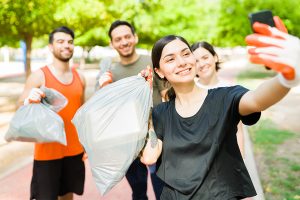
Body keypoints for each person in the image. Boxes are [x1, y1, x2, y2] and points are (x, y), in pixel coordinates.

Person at [140, 20, 300, 199]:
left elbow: (257, 100)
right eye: (170, 59)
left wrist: (287, 78)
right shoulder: (160, 114)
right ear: (159, 72)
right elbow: (149, 157)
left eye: (186, 54)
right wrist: (147, 106)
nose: (181, 62)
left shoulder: (225, 97)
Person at [96, 20, 166, 200]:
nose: (124, 42)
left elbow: (166, 94)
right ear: (112, 44)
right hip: (128, 142)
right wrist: (104, 88)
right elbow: (103, 111)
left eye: (127, 36)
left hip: (158, 136)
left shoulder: (151, 61)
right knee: (138, 191)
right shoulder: (110, 73)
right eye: (118, 39)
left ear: (135, 38)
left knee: (164, 190)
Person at [18, 26, 86, 200]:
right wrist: (29, 101)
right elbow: (20, 107)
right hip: (47, 152)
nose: (66, 45)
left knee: (68, 195)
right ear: (50, 47)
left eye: (70, 42)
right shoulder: (39, 76)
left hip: (74, 151)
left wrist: (86, 142)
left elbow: (82, 113)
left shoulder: (81, 77)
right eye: (60, 41)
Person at [191, 41, 245, 158]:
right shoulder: (190, 91)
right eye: (196, 61)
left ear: (215, 57)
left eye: (205, 57)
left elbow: (238, 130)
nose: (201, 64)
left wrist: (240, 161)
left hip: (228, 157)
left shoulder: (230, 89)